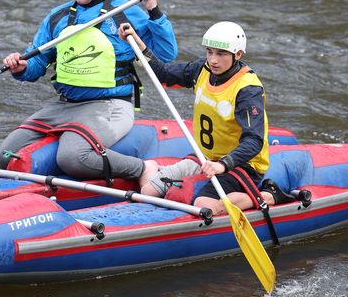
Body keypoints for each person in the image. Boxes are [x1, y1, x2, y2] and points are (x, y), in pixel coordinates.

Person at [0, 0, 178, 180]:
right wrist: (22, 67)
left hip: (110, 106)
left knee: (71, 157)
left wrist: (154, 11)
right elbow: (38, 63)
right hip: (65, 106)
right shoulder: (58, 17)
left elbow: (166, 54)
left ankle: (143, 169)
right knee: (5, 155)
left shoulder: (124, 12)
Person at [120, 20, 289, 216]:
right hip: (205, 158)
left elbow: (254, 141)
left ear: (238, 54)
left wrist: (223, 164)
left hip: (241, 165)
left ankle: (268, 195)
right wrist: (137, 43)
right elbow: (163, 74)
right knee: (149, 190)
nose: (213, 60)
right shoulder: (202, 69)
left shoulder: (248, 90)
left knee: (205, 204)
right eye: (209, 52)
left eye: (221, 54)